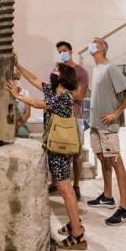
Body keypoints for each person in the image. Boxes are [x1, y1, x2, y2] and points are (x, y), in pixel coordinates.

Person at [11, 57, 86, 249]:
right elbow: (34, 79)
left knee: (65, 189)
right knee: (65, 189)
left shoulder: (64, 97)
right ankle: (75, 223)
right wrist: (18, 65)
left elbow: (37, 104)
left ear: (63, 78)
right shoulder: (55, 92)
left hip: (59, 149)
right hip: (54, 147)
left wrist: (17, 95)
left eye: (56, 70)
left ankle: (78, 235)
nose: (53, 71)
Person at [85, 38, 126, 226]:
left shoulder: (110, 68)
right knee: (102, 157)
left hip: (108, 126)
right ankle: (107, 196)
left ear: (103, 48)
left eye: (95, 42)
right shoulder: (96, 68)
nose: (91, 44)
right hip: (95, 124)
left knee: (116, 162)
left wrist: (116, 113)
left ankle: (124, 209)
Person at [53, 41, 89, 201]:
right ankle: (57, 183)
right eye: (60, 51)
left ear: (71, 51)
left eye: (65, 50)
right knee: (57, 151)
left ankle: (76, 186)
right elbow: (52, 91)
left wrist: (63, 90)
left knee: (76, 153)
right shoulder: (57, 69)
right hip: (59, 115)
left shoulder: (81, 71)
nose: (62, 53)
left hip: (76, 116)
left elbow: (80, 95)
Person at [12, 70, 32, 138]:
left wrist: (18, 124)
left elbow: (27, 113)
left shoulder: (25, 93)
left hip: (21, 123)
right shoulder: (6, 93)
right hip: (8, 122)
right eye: (13, 78)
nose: (16, 81)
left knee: (22, 133)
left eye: (17, 79)